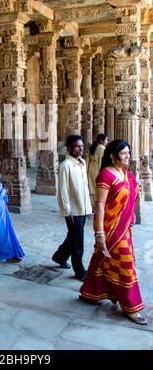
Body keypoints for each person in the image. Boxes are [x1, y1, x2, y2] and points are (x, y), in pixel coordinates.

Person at [79, 140, 148, 325]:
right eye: (124, 153)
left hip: (124, 229)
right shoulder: (106, 175)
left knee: (105, 262)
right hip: (110, 230)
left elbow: (132, 192)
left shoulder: (126, 174)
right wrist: (99, 232)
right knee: (126, 266)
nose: (128, 156)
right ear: (112, 156)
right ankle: (131, 306)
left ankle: (91, 292)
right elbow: (100, 205)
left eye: (128, 153)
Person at [52, 135, 92, 281]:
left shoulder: (82, 163)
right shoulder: (66, 165)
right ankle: (79, 270)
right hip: (73, 210)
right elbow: (63, 191)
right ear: (68, 148)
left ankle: (59, 256)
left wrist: (89, 205)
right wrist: (67, 212)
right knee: (77, 241)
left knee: (73, 236)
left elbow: (83, 187)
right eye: (76, 146)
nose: (80, 148)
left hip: (82, 207)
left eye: (81, 146)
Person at [87, 134, 109, 208]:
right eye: (105, 140)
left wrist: (86, 170)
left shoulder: (92, 147)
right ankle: (96, 205)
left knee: (91, 186)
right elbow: (101, 161)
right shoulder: (102, 148)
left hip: (91, 168)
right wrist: (101, 172)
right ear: (101, 140)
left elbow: (88, 160)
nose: (106, 141)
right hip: (97, 169)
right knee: (97, 187)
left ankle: (91, 204)